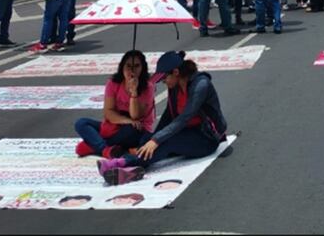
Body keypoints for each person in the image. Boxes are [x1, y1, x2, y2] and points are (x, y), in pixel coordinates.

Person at [97, 51, 229, 185]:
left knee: (167, 142)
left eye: (165, 78)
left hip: (207, 138)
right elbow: (168, 115)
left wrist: (156, 140)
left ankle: (124, 164)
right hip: (187, 133)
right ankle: (132, 168)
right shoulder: (174, 86)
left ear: (176, 72)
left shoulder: (201, 85)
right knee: (150, 142)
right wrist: (152, 139)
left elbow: (184, 118)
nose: (164, 82)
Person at [74, 50, 155, 158]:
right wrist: (126, 120)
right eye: (128, 66)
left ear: (142, 68)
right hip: (116, 125)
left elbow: (136, 116)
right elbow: (108, 111)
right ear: (122, 67)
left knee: (132, 129)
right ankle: (105, 149)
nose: (132, 70)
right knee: (81, 123)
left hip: (137, 130)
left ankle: (94, 145)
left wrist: (134, 92)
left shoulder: (148, 87)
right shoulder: (113, 83)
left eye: (136, 66)